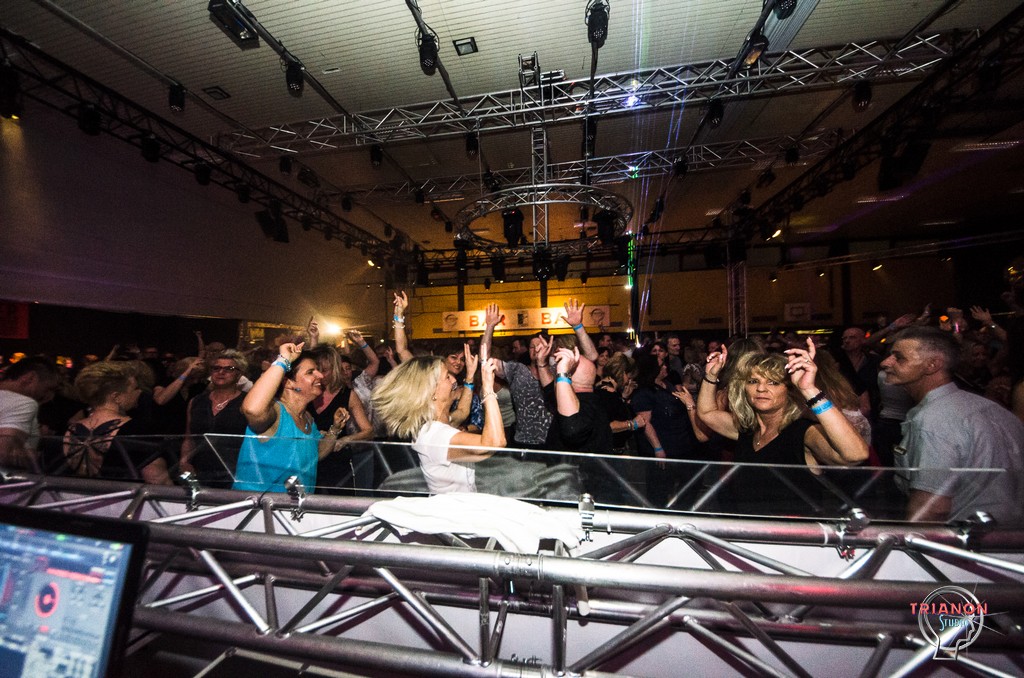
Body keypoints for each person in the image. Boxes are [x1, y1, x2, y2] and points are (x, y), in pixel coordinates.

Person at [697, 338, 869, 515]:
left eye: (773, 382)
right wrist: (710, 376)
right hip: (750, 529)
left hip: (793, 531)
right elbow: (707, 413)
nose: (761, 388)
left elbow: (856, 454)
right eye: (753, 381)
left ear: (789, 390)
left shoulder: (803, 432)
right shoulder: (748, 431)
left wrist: (809, 390)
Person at [880, 326, 1024, 524]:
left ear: (932, 365)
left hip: (965, 538)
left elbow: (932, 509)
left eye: (899, 357)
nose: (885, 362)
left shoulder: (934, 420)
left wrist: (908, 539)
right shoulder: (990, 407)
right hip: (1009, 534)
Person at [371, 350, 504, 494]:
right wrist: (488, 389)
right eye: (447, 377)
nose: (454, 381)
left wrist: (470, 376)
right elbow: (494, 443)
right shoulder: (435, 435)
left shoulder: (433, 424)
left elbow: (462, 412)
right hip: (454, 506)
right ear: (432, 391)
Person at [233, 343, 350, 493]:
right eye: (310, 372)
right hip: (258, 504)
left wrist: (335, 429)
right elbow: (252, 409)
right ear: (288, 383)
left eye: (318, 371)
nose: (320, 376)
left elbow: (316, 454)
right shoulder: (276, 412)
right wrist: (283, 359)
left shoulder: (307, 418)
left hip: (294, 505)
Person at [62, 361, 172, 484]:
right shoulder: (138, 429)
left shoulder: (71, 429)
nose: (139, 392)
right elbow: (157, 479)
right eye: (135, 388)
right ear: (116, 397)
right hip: (125, 495)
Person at [307, 345, 374, 491]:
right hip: (309, 460)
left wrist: (345, 440)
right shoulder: (307, 393)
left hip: (336, 464)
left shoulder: (347, 395)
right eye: (316, 370)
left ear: (335, 369)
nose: (320, 375)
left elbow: (368, 431)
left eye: (325, 370)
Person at [180, 349, 249, 487]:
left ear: (239, 374)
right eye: (216, 368)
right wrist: (184, 462)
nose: (221, 372)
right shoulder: (196, 401)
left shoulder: (247, 402)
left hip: (235, 473)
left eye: (229, 369)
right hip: (200, 471)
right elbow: (189, 438)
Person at [0, 357, 60, 470]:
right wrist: (31, 456)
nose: (49, 396)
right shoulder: (24, 403)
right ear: (30, 378)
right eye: (48, 389)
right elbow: (3, 453)